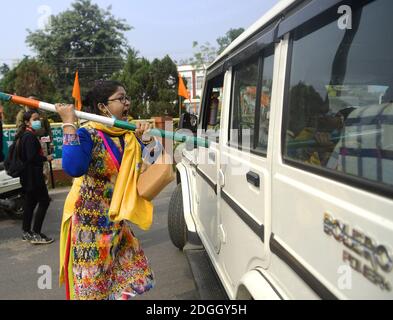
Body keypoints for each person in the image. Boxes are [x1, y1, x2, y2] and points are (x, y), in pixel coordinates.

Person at [56, 80, 155, 300]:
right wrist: (69, 123)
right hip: (89, 227)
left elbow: (146, 168)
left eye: (127, 98)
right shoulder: (88, 134)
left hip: (116, 220)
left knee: (125, 279)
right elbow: (73, 167)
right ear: (103, 107)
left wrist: (143, 140)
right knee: (94, 289)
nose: (127, 103)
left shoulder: (127, 134)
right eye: (121, 98)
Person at [17, 110, 54, 244]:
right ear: (27, 122)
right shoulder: (29, 136)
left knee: (30, 203)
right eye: (34, 119)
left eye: (38, 118)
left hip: (29, 175)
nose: (38, 121)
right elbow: (32, 157)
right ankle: (37, 233)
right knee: (44, 201)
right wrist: (46, 158)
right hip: (33, 176)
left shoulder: (26, 135)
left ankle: (26, 232)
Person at [16, 96, 53, 184]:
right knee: (33, 164)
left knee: (44, 166)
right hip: (29, 141)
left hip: (42, 140)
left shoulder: (42, 113)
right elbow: (20, 129)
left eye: (35, 102)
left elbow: (48, 129)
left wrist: (50, 143)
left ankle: (45, 187)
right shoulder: (22, 113)